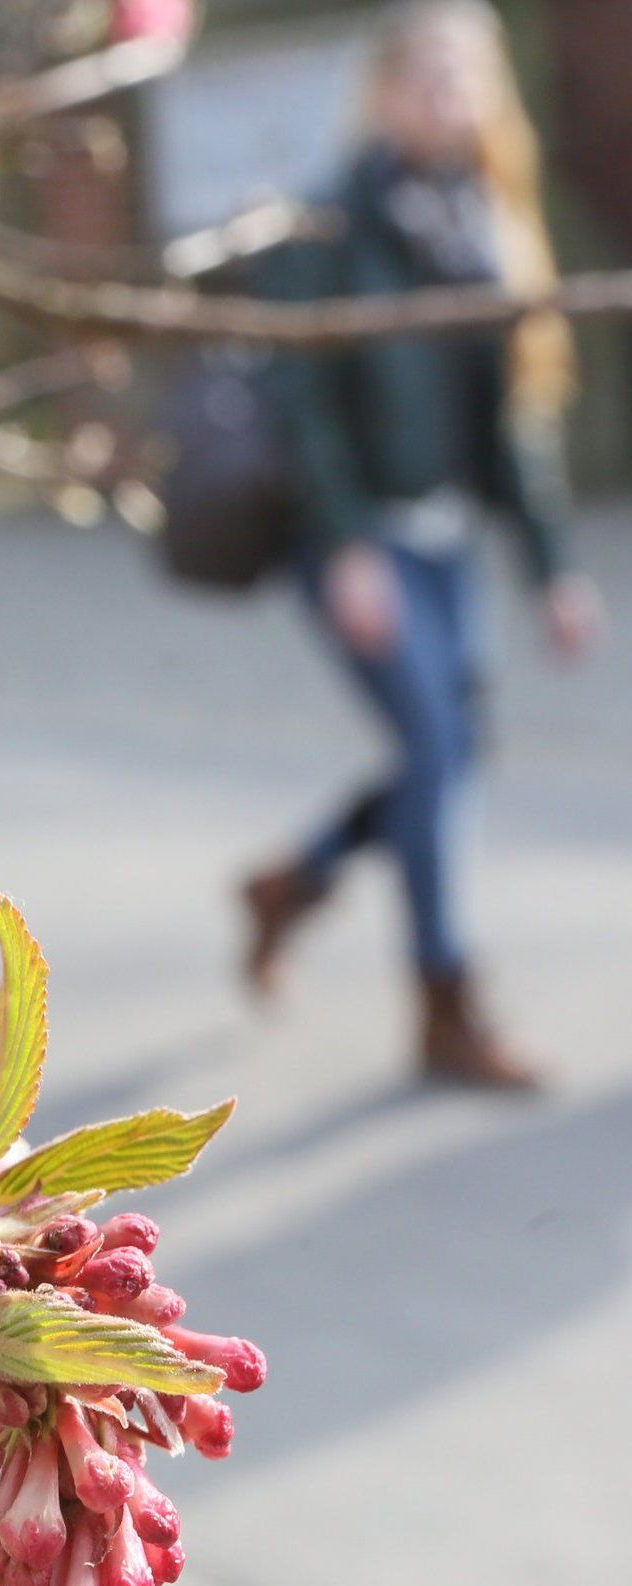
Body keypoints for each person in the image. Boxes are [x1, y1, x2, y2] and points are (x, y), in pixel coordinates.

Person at [244, 0, 605, 1088]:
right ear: (385, 91)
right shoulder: (326, 224)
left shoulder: (483, 223)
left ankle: (292, 880)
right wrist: (347, 544)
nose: (451, 97)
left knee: (443, 751)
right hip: (354, 540)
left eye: (469, 79)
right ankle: (447, 1009)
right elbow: (296, 401)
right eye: (431, 76)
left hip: (445, 544)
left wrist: (551, 571)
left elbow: (510, 425)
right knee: (441, 752)